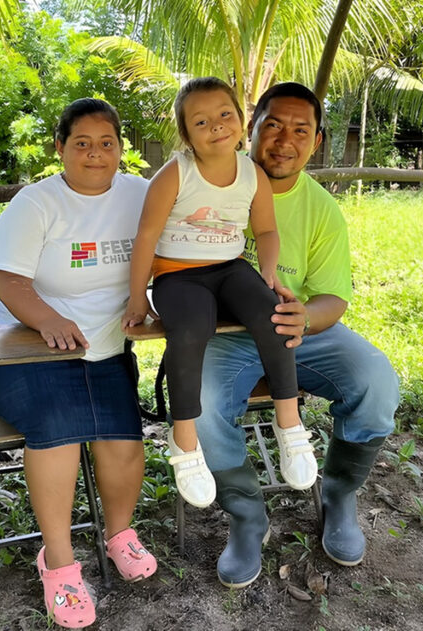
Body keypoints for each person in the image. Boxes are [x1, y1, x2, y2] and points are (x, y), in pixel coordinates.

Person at [194, 82, 400, 588]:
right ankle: (246, 518)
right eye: (274, 126)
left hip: (297, 330)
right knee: (201, 404)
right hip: (225, 336)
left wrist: (304, 317)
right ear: (252, 129)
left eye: (300, 130)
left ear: (317, 140)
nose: (285, 140)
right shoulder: (205, 185)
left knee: (376, 381)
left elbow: (333, 298)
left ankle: (339, 495)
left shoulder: (322, 209)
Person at [0, 98, 157, 629]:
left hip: (105, 347)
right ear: (60, 148)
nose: (95, 154)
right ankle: (58, 562)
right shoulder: (35, 204)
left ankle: (120, 533)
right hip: (27, 350)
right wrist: (47, 320)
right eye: (81, 143)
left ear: (121, 149)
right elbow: (8, 282)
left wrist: (150, 299)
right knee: (57, 429)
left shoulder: (142, 196)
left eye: (107, 143)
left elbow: (168, 256)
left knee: (122, 435)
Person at [122, 77, 318, 510]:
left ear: (242, 119)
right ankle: (185, 439)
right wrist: (138, 298)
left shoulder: (251, 173)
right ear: (186, 133)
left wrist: (268, 276)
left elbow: (266, 229)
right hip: (179, 275)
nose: (217, 125)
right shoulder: (176, 173)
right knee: (191, 328)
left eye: (225, 114)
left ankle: (289, 423)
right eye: (202, 120)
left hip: (231, 268)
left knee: (273, 312)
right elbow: (146, 237)